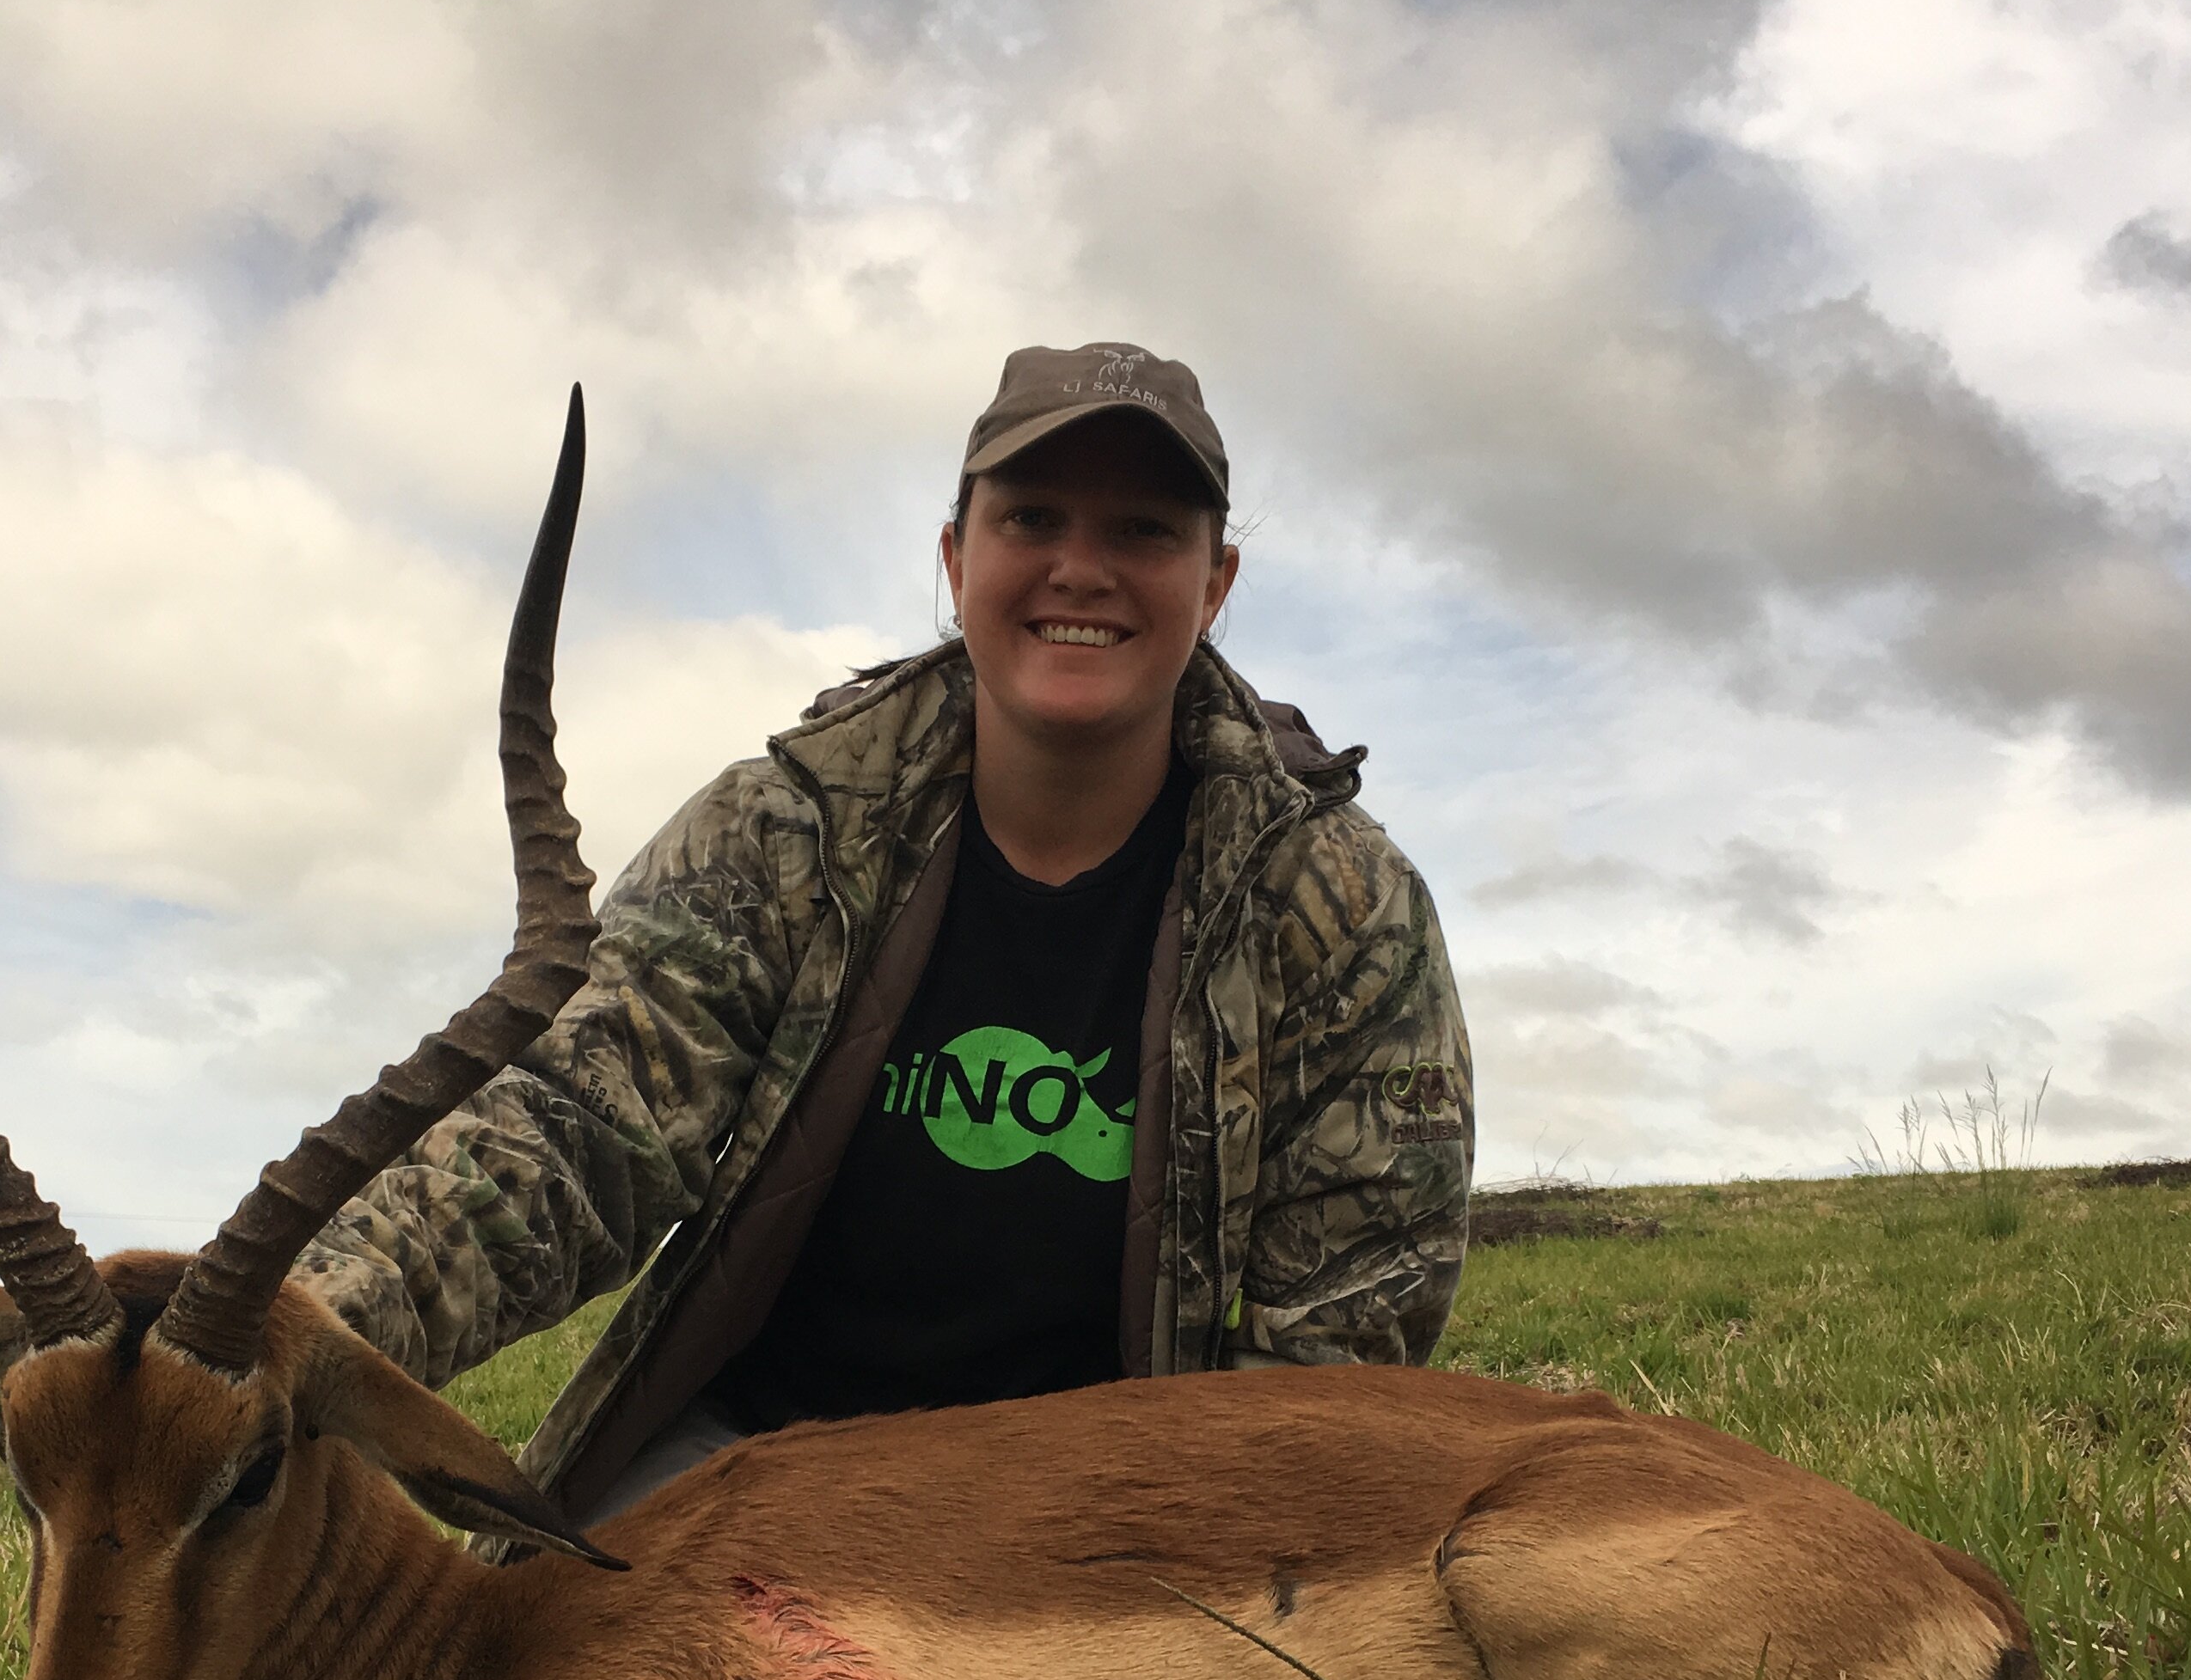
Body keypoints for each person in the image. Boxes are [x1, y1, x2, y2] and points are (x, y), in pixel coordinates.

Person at [296, 341, 1477, 1528]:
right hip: (750, 1463)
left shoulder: (1342, 909)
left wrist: (1144, 1580)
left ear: (1214, 583)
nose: (1082, 569)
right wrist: (295, 1332)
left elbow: (1337, 1342)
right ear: (958, 560)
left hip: (1107, 1517)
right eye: (1033, 519)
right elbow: (569, 1132)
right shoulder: (782, 833)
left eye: (1144, 532)